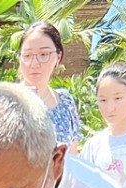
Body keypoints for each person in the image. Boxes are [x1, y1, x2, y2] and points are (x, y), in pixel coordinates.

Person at [18, 21, 81, 153]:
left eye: (43, 54)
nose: (34, 63)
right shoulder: (6, 101)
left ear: (58, 57)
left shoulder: (66, 102)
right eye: (27, 56)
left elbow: (73, 157)